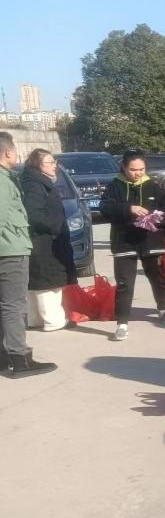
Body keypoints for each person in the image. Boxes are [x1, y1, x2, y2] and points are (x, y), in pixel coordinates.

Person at [99, 148, 165, 341]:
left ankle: (163, 309)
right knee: (124, 283)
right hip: (124, 242)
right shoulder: (115, 186)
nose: (138, 173)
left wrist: (157, 219)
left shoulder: (153, 186)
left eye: (141, 169)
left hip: (151, 241)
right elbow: (104, 208)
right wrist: (128, 208)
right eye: (133, 169)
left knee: (157, 278)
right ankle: (122, 323)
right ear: (124, 167)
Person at [0, 132, 56, 377]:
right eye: (14, 150)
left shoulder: (7, 178)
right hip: (10, 250)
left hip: (8, 248)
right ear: (8, 152)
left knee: (6, 306)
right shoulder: (3, 182)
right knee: (13, 306)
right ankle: (20, 358)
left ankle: (4, 358)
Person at [21, 149, 77, 332]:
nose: (55, 166)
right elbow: (33, 214)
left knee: (38, 282)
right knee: (48, 282)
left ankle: (35, 319)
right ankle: (53, 321)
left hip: (44, 240)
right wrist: (55, 227)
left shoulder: (38, 182)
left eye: (55, 162)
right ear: (38, 166)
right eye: (50, 163)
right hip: (43, 241)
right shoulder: (34, 185)